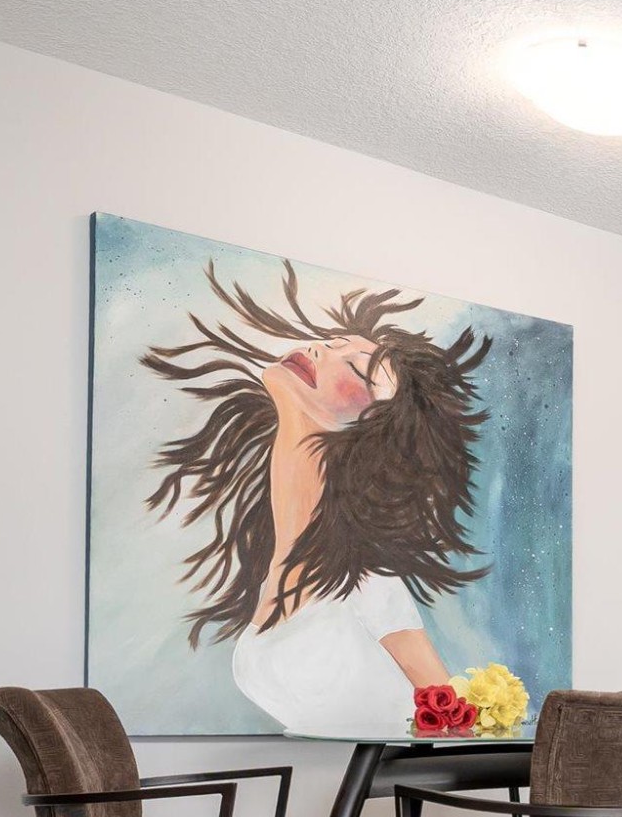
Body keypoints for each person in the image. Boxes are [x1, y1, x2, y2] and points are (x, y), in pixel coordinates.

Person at [141, 261, 489, 732]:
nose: (321, 350)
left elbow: (455, 726)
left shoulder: (370, 582)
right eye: (332, 343)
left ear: (375, 427)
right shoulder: (272, 565)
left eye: (356, 368)